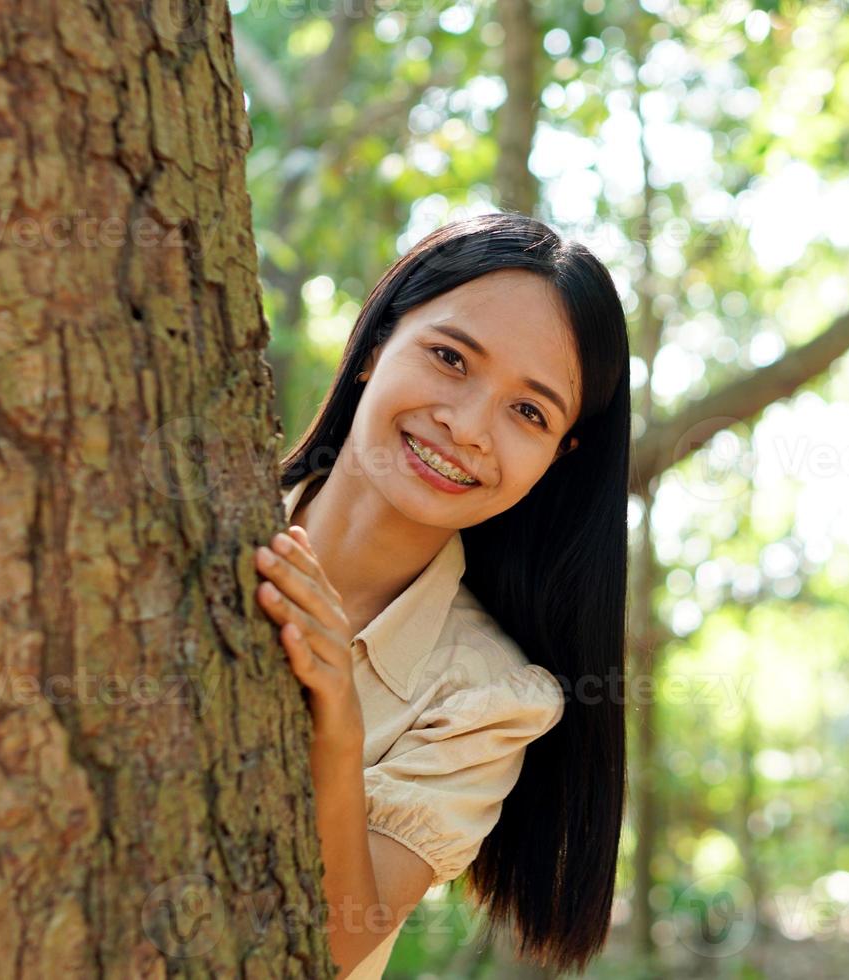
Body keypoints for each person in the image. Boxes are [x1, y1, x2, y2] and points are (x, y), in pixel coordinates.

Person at [256, 212, 630, 977]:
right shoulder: (180, 530)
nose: (467, 428)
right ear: (376, 345)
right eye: (451, 358)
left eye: (528, 411)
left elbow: (332, 947)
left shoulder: (491, 700)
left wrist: (336, 723)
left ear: (557, 459)